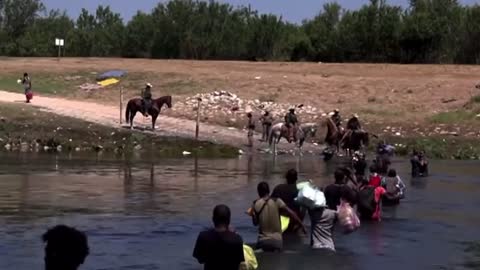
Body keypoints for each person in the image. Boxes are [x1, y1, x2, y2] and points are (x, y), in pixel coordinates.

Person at [251, 182, 306, 251]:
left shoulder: (255, 203)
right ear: (269, 191)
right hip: (277, 241)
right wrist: (302, 225)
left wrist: (253, 215)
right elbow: (292, 213)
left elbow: (255, 223)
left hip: (263, 241)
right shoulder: (277, 201)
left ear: (258, 192)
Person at [193, 205, 244, 270]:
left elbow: (200, 260)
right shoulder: (237, 239)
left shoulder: (203, 236)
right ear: (229, 220)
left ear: (213, 219)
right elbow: (239, 261)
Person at [271, 169, 304, 233]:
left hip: (279, 221)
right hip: (294, 221)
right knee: (304, 206)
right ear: (296, 178)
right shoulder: (299, 190)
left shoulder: (278, 188)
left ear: (286, 178)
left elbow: (270, 202)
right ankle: (298, 225)